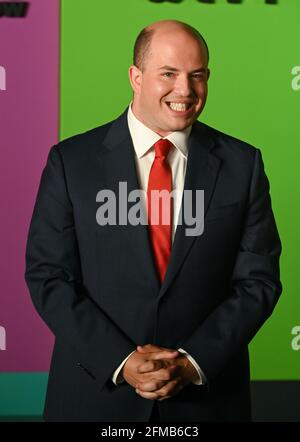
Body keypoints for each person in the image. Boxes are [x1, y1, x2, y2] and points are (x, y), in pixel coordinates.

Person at [25, 19, 282, 422]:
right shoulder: (71, 162)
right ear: (136, 76)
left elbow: (258, 281)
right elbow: (49, 276)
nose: (185, 90)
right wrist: (121, 361)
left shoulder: (242, 165)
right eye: (169, 74)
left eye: (197, 75)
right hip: (95, 399)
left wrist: (193, 362)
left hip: (206, 404)